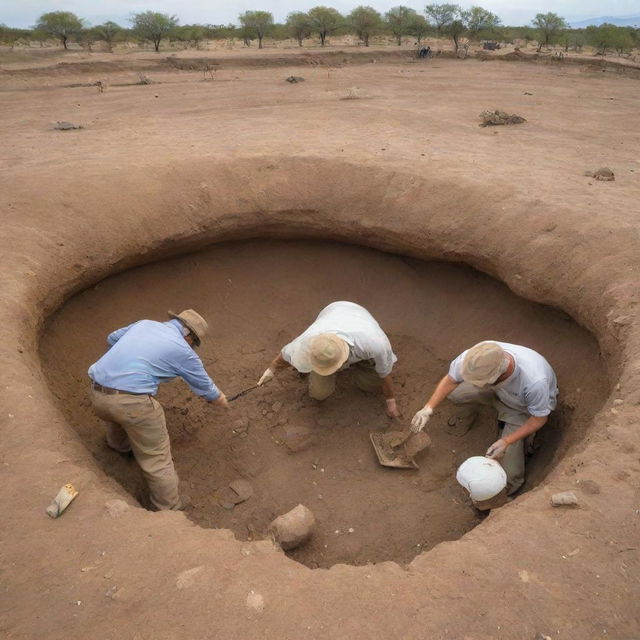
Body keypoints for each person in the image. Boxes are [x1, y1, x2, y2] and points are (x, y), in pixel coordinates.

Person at [88, 309, 228, 511]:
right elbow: (207, 389)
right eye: (194, 343)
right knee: (157, 459)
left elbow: (111, 338)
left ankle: (119, 446)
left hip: (97, 392)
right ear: (189, 336)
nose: (193, 347)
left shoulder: (144, 324)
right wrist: (222, 401)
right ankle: (168, 509)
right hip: (131, 403)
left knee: (116, 415)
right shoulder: (183, 351)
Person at [410, 341, 558, 494]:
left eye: (479, 382)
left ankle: (506, 492)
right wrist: (428, 408)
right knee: (456, 394)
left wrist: (506, 441)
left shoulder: (534, 382)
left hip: (521, 409)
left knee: (510, 472)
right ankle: (487, 414)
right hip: (497, 391)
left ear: (497, 374)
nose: (476, 384)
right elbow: (451, 380)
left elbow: (539, 418)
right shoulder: (477, 357)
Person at [257, 301, 400, 418]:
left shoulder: (375, 343)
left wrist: (390, 401)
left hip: (358, 315)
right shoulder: (309, 342)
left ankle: (361, 364)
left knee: (369, 384)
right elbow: (285, 355)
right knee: (319, 393)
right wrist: (271, 369)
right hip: (332, 311)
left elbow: (384, 373)